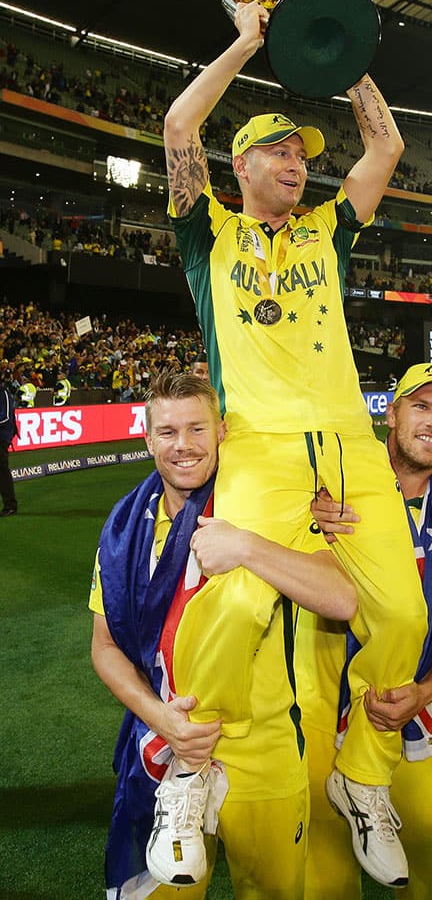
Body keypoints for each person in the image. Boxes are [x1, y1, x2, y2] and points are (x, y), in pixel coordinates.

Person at [163, 0, 427, 887]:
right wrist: (246, 40)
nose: (296, 165)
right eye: (280, 151)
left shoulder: (326, 230)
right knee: (233, 607)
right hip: (262, 447)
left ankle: (361, 781)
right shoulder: (210, 235)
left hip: (350, 443)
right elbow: (176, 125)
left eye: (302, 157)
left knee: (402, 615)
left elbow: (383, 150)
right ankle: (191, 772)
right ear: (241, 164)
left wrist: (344, 58)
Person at [89, 371, 356, 898]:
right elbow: (104, 645)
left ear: (222, 432)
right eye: (167, 432)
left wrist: (247, 546)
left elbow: (341, 598)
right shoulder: (123, 529)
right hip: (165, 742)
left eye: (196, 429)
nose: (183, 446)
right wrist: (161, 717)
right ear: (147, 440)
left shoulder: (266, 506)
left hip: (263, 747)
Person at [291, 362, 432, 899]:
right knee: (325, 874)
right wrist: (307, 519)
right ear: (390, 412)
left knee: (431, 857)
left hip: (412, 711)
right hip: (318, 710)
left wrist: (428, 691)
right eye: (421, 406)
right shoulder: (325, 494)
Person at [0, 374, 18, 518]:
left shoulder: (4, 393)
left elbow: (5, 417)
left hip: (2, 437)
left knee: (2, 471)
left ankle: (10, 505)